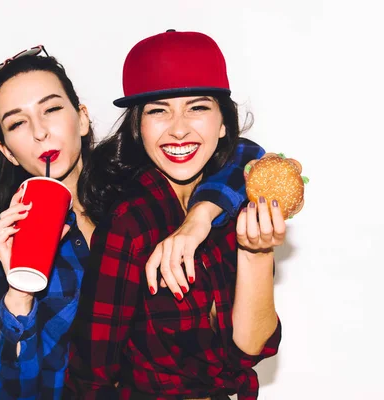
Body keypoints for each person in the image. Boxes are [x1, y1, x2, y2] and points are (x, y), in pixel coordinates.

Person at [0, 46, 266, 399]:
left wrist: (201, 215)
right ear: (7, 149)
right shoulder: (5, 243)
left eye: (52, 109)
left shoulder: (137, 187)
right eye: (18, 123)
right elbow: (13, 393)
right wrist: (20, 293)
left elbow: (244, 155)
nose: (40, 132)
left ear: (82, 118)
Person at [66, 30, 284, 400]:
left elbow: (249, 349)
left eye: (197, 107)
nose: (179, 128)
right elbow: (92, 376)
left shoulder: (235, 201)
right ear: (137, 126)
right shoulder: (130, 223)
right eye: (158, 110)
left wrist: (255, 251)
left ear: (224, 123)